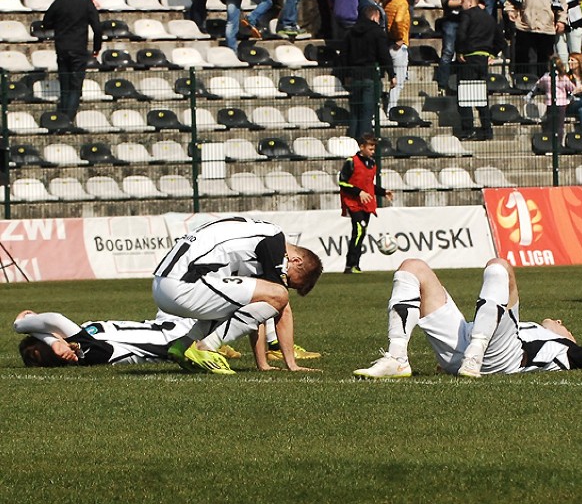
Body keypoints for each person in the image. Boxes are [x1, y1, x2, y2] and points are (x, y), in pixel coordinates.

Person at [353, 258, 582, 378]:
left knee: (500, 265)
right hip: (466, 347)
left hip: (497, 359)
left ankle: (474, 356)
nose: (557, 321)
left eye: (561, 323)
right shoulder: (537, 328)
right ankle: (397, 358)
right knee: (412, 267)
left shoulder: (570, 350)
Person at [152, 216, 323, 374]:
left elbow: (258, 310)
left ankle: (183, 344)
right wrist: (292, 365)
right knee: (278, 295)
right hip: (184, 285)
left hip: (163, 285)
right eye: (290, 281)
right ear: (296, 261)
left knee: (263, 296)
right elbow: (281, 304)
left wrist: (262, 364)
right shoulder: (274, 239)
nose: (286, 284)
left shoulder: (253, 236)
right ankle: (206, 346)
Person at [14, 309, 195, 367]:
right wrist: (19, 327)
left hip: (167, 321)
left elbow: (30, 316)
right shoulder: (88, 353)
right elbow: (52, 319)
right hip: (184, 337)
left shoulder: (83, 330)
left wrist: (52, 340)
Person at [42, 0, 102, 121]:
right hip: (79, 48)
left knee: (65, 84)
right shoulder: (87, 3)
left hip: (62, 47)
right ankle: (68, 118)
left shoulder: (58, 2)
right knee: (76, 85)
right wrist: (96, 48)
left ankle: (62, 115)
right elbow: (97, 28)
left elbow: (46, 22)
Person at [339, 133, 394, 274]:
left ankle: (354, 265)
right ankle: (351, 264)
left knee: (361, 233)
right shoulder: (351, 162)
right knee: (359, 230)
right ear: (361, 147)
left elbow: (369, 185)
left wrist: (383, 192)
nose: (373, 151)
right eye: (370, 148)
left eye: (374, 149)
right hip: (353, 202)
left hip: (366, 203)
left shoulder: (372, 163)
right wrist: (358, 192)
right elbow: (342, 182)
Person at [505, 0, 567, 77]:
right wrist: (510, 11)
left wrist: (561, 21)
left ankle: (542, 86)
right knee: (523, 59)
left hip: (546, 27)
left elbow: (563, 4)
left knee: (544, 61)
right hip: (525, 25)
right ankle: (522, 84)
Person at [455, 0, 505, 140]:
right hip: (483, 59)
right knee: (481, 97)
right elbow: (501, 42)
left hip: (469, 59)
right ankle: (486, 131)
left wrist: (460, 51)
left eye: (462, 2)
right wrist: (491, 54)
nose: (461, 5)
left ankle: (468, 130)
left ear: (470, 3)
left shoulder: (467, 15)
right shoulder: (489, 18)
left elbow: (461, 34)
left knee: (464, 97)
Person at [342, 5, 396, 139]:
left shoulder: (351, 32)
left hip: (354, 75)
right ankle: (363, 143)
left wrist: (347, 74)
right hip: (370, 75)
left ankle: (353, 141)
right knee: (367, 112)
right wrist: (391, 74)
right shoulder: (377, 32)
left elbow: (345, 55)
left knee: (355, 112)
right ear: (374, 16)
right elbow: (384, 55)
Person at [436, 0, 482, 91]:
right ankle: (442, 84)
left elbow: (480, 1)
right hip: (451, 20)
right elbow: (446, 2)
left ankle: (464, 82)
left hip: (468, 22)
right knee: (448, 52)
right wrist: (465, 3)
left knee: (467, 53)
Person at [525, 55, 575, 142]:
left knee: (550, 125)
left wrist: (531, 94)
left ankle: (550, 144)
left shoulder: (545, 77)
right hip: (561, 104)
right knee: (559, 126)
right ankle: (558, 144)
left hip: (550, 103)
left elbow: (538, 85)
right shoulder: (564, 78)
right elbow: (572, 88)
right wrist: (568, 98)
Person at [384, 0, 416, 110]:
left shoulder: (390, 2)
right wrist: (400, 37)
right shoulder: (402, 3)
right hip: (398, 46)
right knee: (399, 81)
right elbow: (398, 20)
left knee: (393, 79)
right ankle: (392, 109)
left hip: (388, 43)